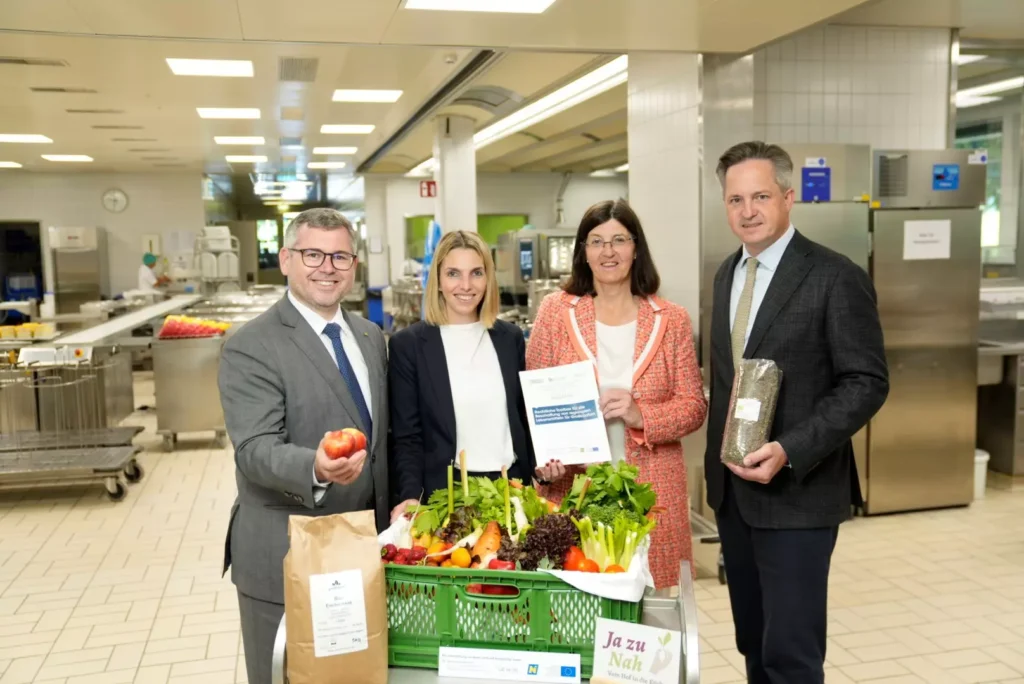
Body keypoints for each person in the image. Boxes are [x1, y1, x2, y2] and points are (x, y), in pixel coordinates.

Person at [705, 141, 889, 684]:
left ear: (788, 197)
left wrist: (790, 447)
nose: (748, 211)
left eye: (760, 196)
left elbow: (866, 382)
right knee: (754, 643)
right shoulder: (726, 275)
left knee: (792, 655)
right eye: (735, 199)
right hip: (733, 496)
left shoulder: (835, 275)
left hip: (798, 494)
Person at [218, 208, 389, 684]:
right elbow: (253, 448)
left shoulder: (370, 337)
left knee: (355, 673)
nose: (327, 267)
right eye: (313, 254)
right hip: (285, 548)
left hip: (359, 547)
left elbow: (380, 440)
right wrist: (313, 466)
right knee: (285, 675)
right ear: (287, 259)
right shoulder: (252, 345)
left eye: (339, 256)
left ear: (354, 265)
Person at [525, 199, 707, 589]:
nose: (608, 251)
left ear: (635, 248)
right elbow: (535, 399)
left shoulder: (670, 319)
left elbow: (694, 406)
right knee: (576, 604)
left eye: (619, 240)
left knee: (647, 611)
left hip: (650, 493)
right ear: (583, 251)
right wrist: (546, 459)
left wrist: (643, 415)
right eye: (596, 241)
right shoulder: (557, 312)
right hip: (574, 489)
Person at [388, 230, 534, 521]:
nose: (465, 285)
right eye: (453, 273)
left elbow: (522, 418)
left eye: (476, 273)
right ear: (438, 281)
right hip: (446, 497)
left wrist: (544, 463)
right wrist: (409, 495)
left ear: (488, 278)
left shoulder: (509, 339)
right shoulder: (409, 345)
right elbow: (407, 437)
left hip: (512, 491)